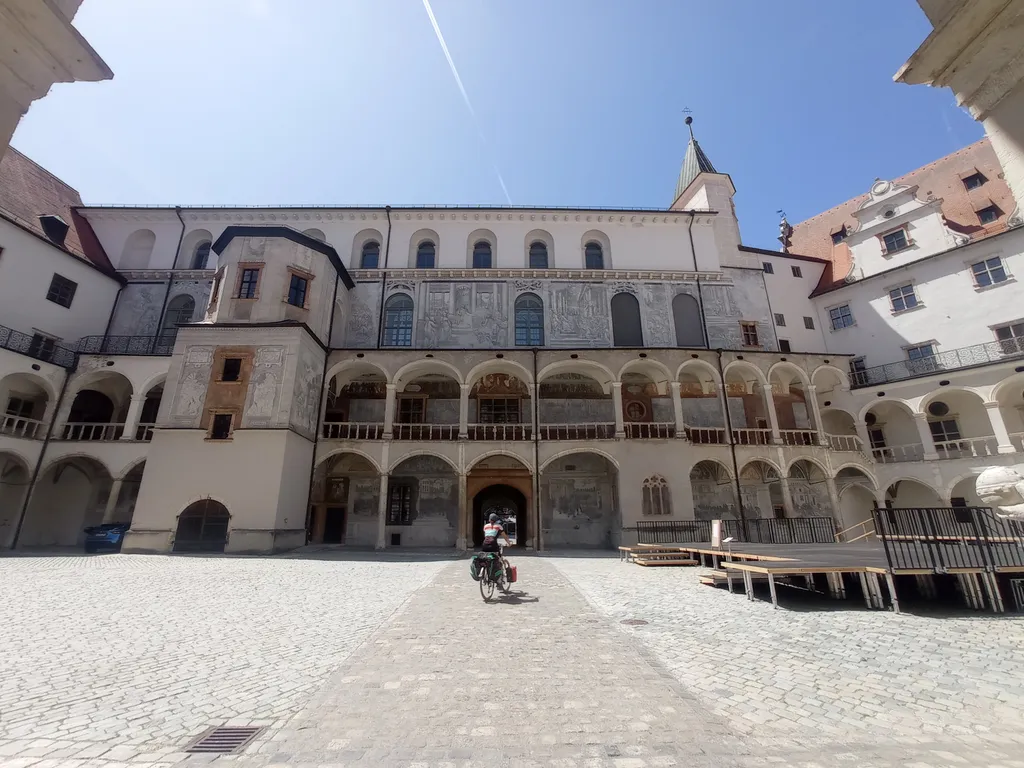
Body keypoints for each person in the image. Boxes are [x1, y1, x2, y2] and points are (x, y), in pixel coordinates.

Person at [480, 512, 511, 580]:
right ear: (496, 520)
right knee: (498, 559)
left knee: (486, 558)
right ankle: (498, 578)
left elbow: (487, 535)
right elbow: (505, 536)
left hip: (484, 545)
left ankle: (485, 571)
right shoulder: (499, 526)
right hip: (493, 545)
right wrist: (509, 543)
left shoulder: (485, 526)